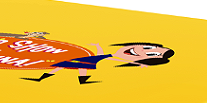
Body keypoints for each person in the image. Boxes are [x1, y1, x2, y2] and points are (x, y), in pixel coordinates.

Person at [24, 42, 174, 83]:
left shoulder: (118, 59)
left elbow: (107, 57)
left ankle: (82, 80)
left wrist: (138, 64)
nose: (141, 51)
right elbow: (104, 55)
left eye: (152, 54)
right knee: (67, 66)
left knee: (67, 66)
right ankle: (82, 80)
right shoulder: (115, 54)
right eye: (148, 48)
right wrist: (97, 46)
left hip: (94, 60)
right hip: (93, 59)